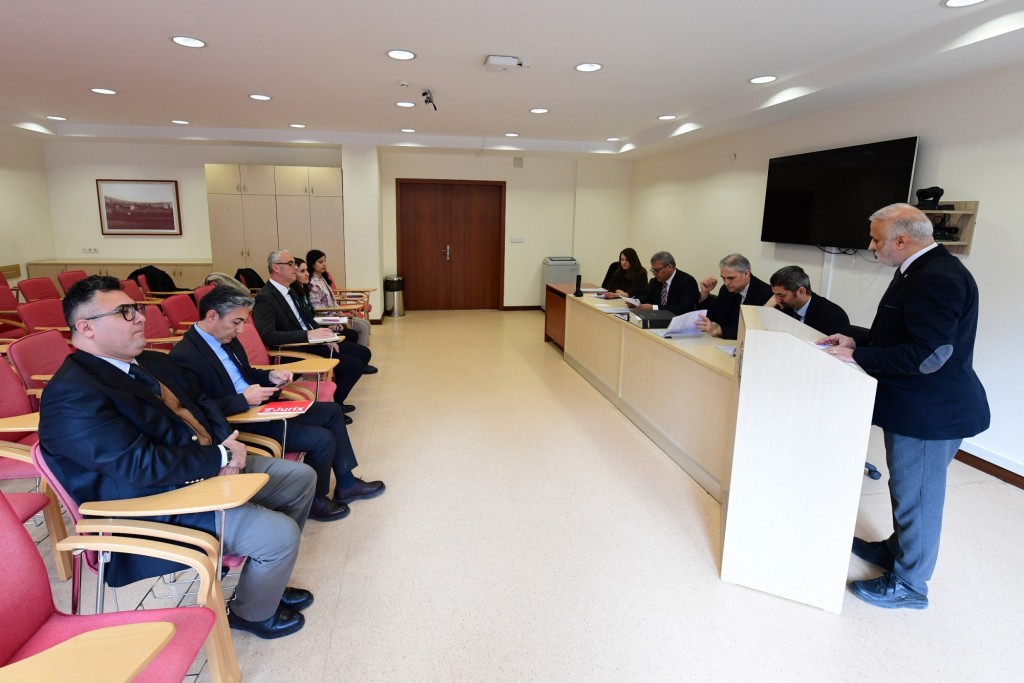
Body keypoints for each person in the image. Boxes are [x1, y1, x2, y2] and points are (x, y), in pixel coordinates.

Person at [38, 275, 317, 639]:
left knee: (301, 479)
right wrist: (218, 457)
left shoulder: (149, 361)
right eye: (125, 312)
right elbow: (137, 466)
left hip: (202, 465)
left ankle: (266, 583)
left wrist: (226, 442)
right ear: (86, 327)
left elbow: (201, 404)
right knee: (279, 535)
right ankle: (251, 613)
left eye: (137, 308)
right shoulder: (72, 394)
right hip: (153, 503)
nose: (140, 317)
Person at [820, 203, 989, 610]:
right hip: (919, 407)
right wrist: (857, 342)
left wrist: (860, 357)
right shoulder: (919, 269)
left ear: (900, 240)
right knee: (906, 489)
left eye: (876, 239)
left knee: (919, 497)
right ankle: (897, 549)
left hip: (931, 413)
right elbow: (903, 335)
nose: (870, 246)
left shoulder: (938, 277)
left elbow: (928, 354)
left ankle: (911, 584)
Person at [170, 286, 384, 521]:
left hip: (261, 407)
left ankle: (346, 483)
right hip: (240, 421)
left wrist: (271, 375)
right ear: (212, 316)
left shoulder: (227, 338)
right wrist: (242, 400)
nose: (240, 330)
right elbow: (197, 410)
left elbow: (246, 373)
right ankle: (314, 500)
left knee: (332, 412)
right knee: (322, 439)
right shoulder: (184, 356)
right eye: (236, 322)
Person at [253, 250, 374, 409]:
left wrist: (326, 336)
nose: (295, 268)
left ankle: (332, 397)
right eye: (290, 264)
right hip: (296, 348)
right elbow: (268, 335)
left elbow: (307, 319)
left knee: (363, 353)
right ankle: (334, 405)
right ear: (276, 267)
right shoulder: (266, 297)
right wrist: (308, 335)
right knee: (354, 366)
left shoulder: (290, 291)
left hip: (311, 342)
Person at [307, 249, 374, 352]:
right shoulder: (312, 283)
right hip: (326, 318)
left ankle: (359, 352)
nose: (324, 264)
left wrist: (341, 312)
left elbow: (333, 301)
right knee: (363, 327)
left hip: (335, 314)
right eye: (320, 262)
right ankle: (359, 352)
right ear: (312, 264)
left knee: (366, 323)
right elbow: (318, 308)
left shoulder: (322, 278)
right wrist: (338, 316)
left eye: (325, 261)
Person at [695, 253, 773, 339]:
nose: (726, 283)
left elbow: (754, 330)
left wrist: (721, 331)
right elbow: (714, 317)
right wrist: (704, 293)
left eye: (731, 278)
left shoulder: (765, 293)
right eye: (723, 278)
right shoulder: (726, 290)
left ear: (746, 274)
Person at [767, 265, 851, 336]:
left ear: (801, 291)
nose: (777, 299)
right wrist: (768, 309)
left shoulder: (834, 316)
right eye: (775, 294)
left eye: (781, 295)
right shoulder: (782, 307)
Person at [626, 251, 699, 314]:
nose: (654, 274)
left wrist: (654, 308)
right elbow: (648, 296)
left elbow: (683, 308)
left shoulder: (687, 281)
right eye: (653, 270)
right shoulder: (655, 281)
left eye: (657, 270)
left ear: (669, 267)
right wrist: (636, 302)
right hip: (658, 318)